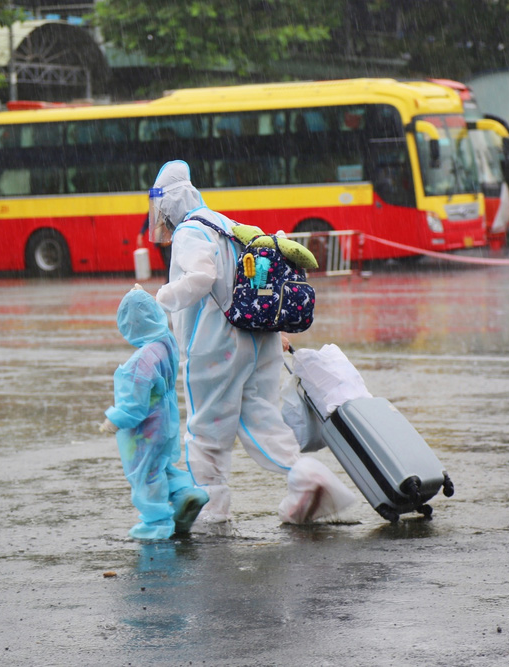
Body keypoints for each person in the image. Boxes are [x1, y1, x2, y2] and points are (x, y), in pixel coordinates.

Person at [147, 160, 357, 525]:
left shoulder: (190, 232)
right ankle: (307, 478)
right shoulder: (228, 224)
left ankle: (211, 512)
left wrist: (160, 299)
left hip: (214, 347)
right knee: (261, 418)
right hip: (260, 338)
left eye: (161, 210)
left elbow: (201, 276)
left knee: (206, 431)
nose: (160, 219)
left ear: (171, 204)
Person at [100, 285, 209, 539]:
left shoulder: (142, 359)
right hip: (166, 421)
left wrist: (115, 419)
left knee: (145, 474)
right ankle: (186, 493)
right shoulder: (165, 343)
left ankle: (156, 524)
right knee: (161, 466)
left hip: (145, 428)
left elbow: (134, 403)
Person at [136, 214, 171, 280]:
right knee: (167, 262)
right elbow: (147, 221)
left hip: (170, 239)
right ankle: (169, 279)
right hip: (161, 240)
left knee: (169, 261)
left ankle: (169, 280)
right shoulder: (155, 208)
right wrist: (141, 234)